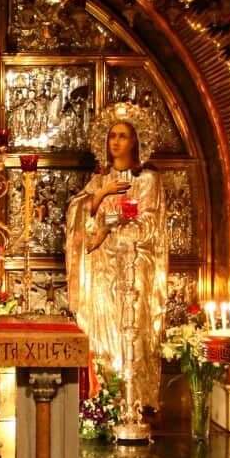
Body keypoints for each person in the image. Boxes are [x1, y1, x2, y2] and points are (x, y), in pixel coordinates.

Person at [65, 107, 169, 413]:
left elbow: (150, 223)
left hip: (133, 264)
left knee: (133, 325)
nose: (116, 141)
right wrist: (102, 195)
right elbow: (78, 216)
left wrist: (115, 223)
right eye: (112, 135)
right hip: (101, 268)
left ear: (135, 142)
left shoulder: (148, 179)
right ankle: (104, 399)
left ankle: (134, 399)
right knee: (102, 326)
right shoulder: (100, 180)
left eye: (123, 136)